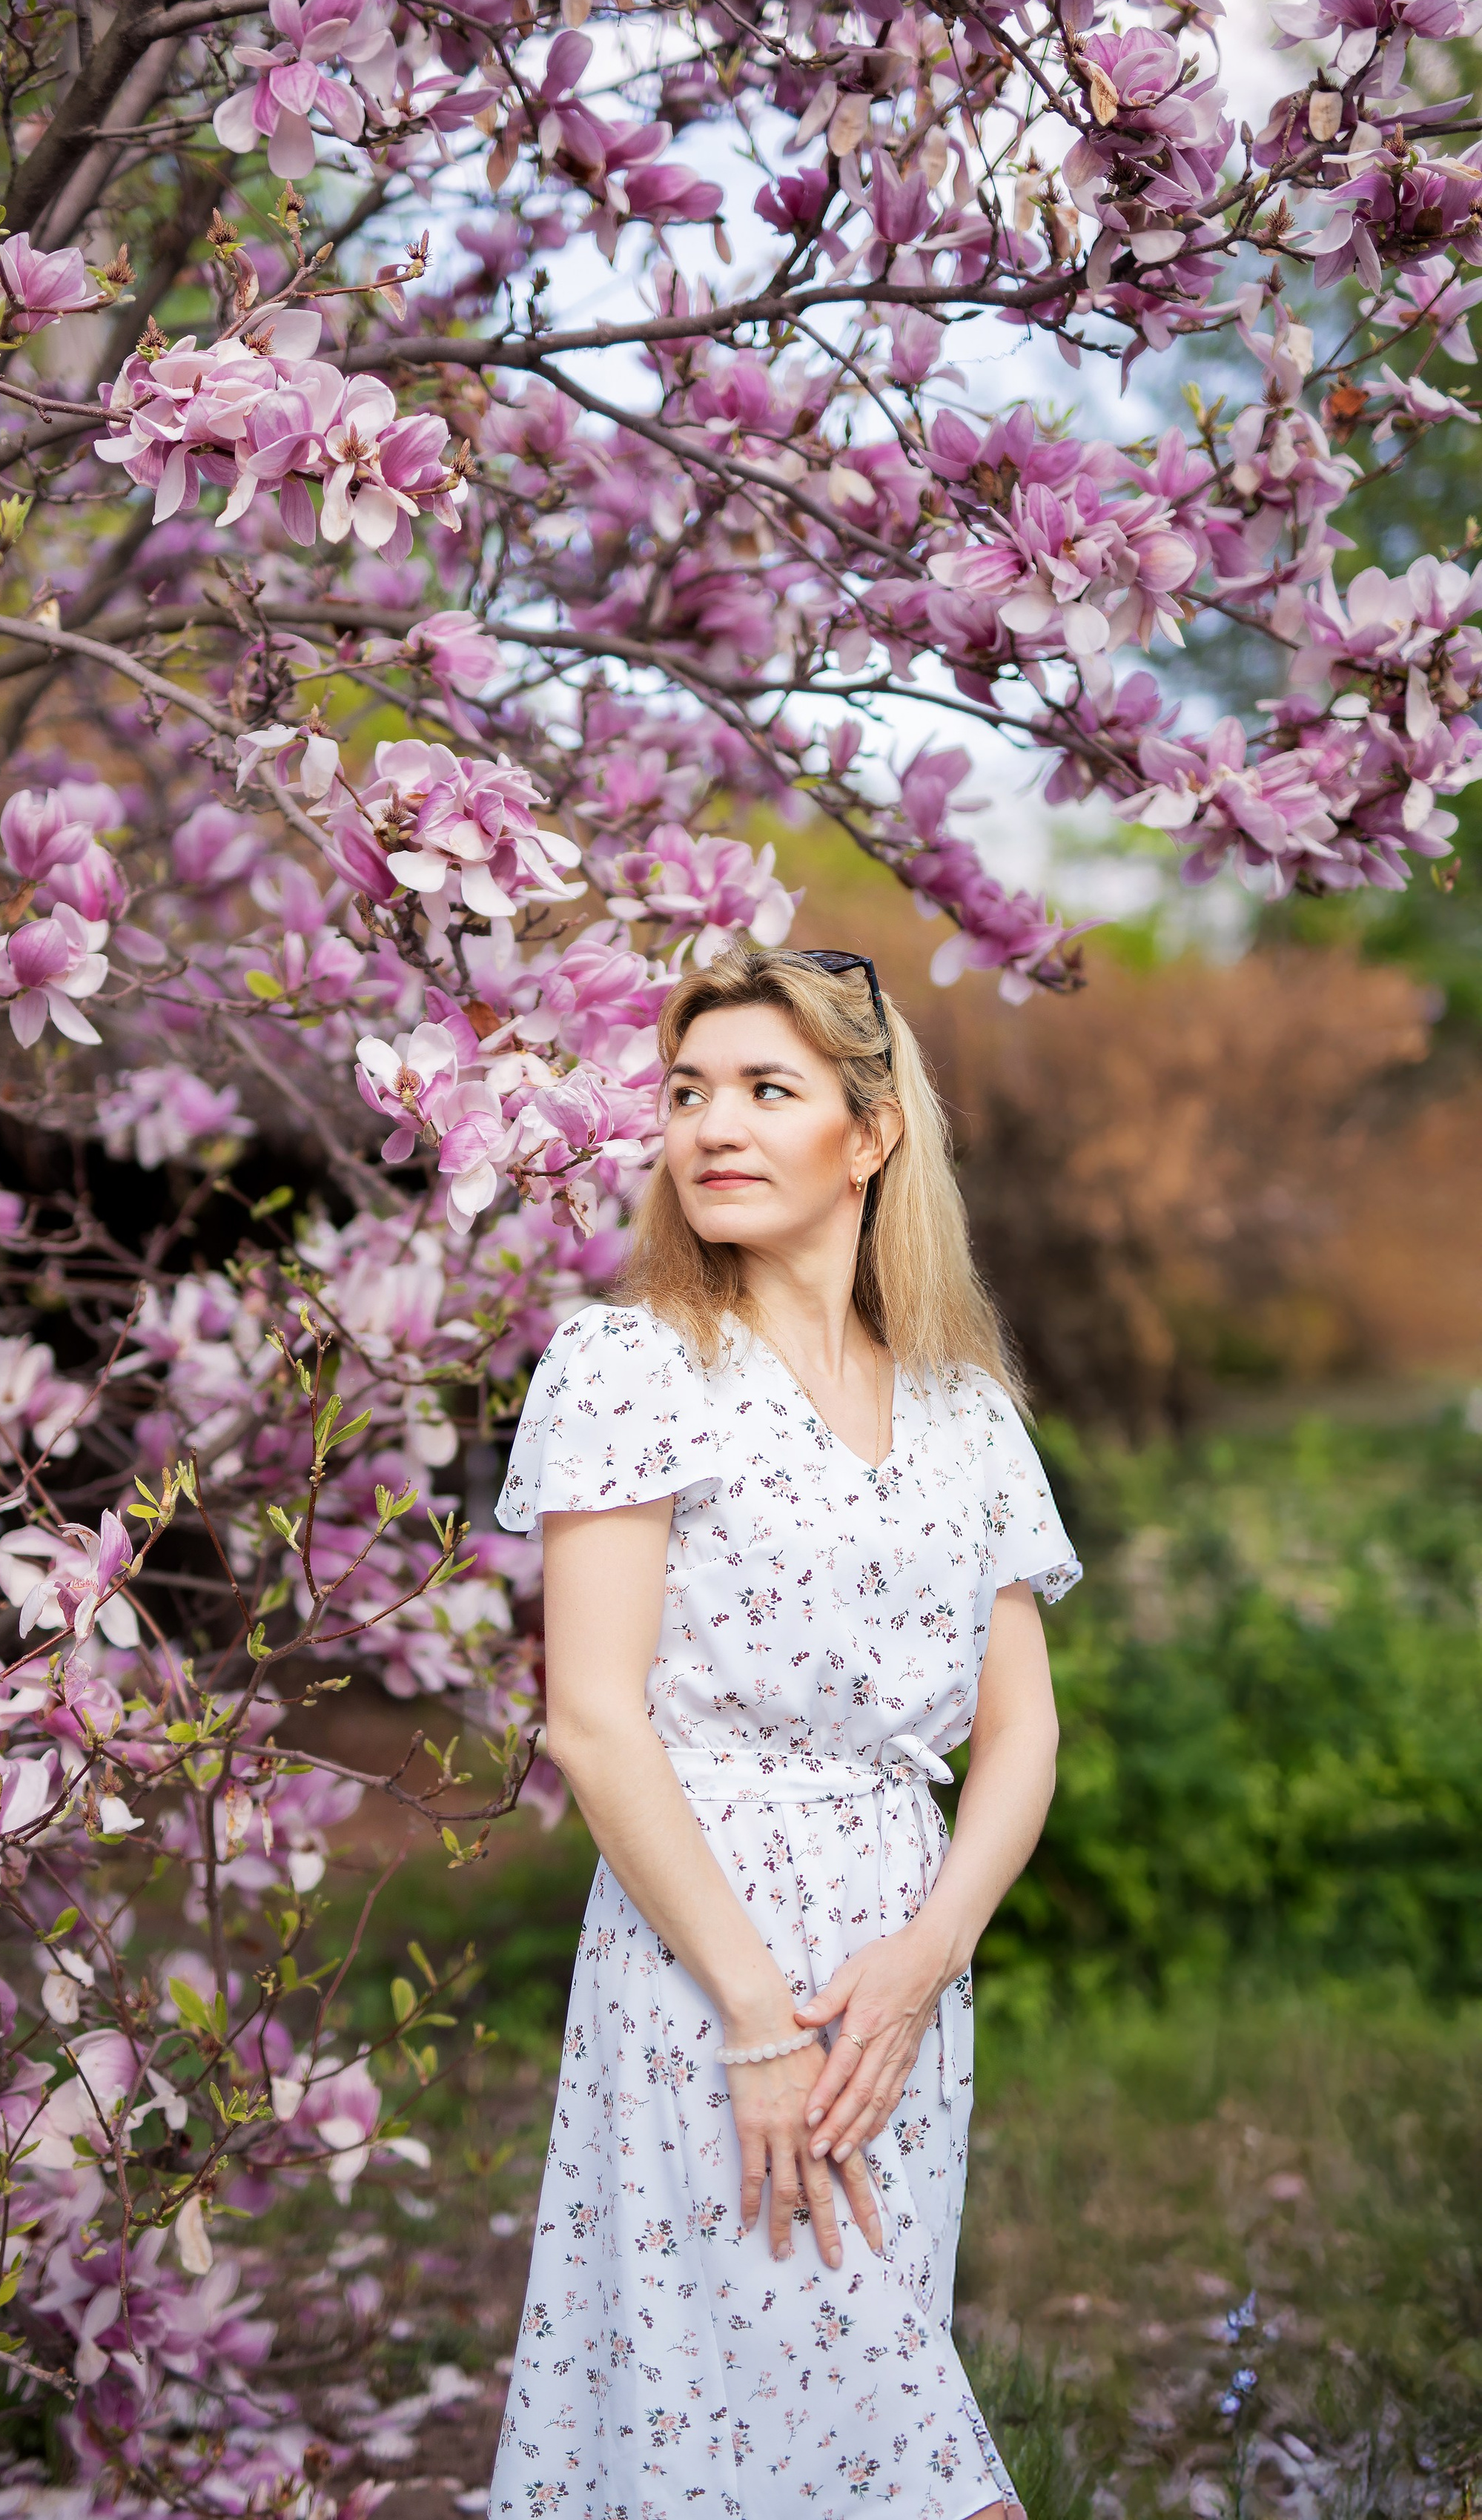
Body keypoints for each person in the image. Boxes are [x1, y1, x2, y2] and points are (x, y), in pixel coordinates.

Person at [487, 942, 1080, 2519]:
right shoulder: (631, 1364)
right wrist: (754, 2018)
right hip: (708, 1965)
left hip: (900, 1970)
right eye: (688, 1093)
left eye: (765, 1089)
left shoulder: (962, 1405)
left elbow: (1021, 1730)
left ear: (869, 1134)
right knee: (880, 2453)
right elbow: (591, 1720)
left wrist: (929, 1951)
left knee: (812, 2448)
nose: (713, 1127)